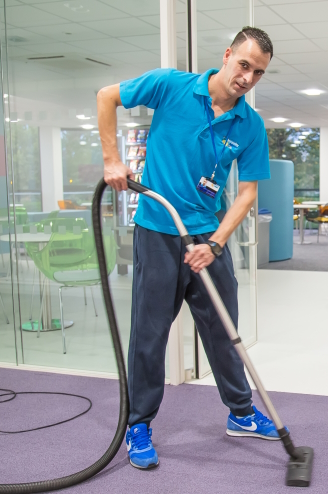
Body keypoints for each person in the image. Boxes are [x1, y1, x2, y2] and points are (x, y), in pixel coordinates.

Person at [97, 27, 281, 470]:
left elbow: (247, 193)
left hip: (206, 236)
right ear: (227, 55)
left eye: (258, 72)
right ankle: (138, 425)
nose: (248, 78)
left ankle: (240, 414)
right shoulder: (171, 86)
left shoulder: (250, 125)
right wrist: (110, 159)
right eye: (244, 65)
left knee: (224, 330)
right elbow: (107, 96)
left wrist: (216, 243)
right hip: (157, 231)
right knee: (150, 332)